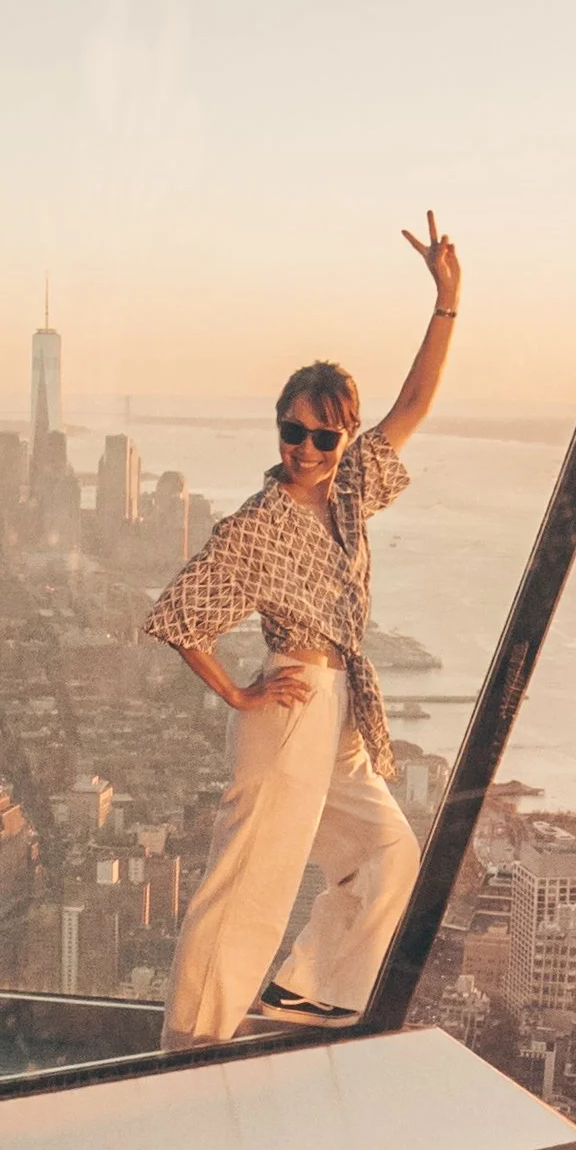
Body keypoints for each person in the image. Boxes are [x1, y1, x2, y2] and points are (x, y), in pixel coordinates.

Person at [144, 215, 461, 1049]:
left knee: (389, 853)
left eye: (324, 434)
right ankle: (190, 1039)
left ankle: (304, 995)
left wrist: (446, 304)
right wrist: (241, 691)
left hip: (342, 710)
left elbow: (416, 402)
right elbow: (178, 619)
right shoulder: (257, 523)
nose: (307, 447)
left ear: (342, 436)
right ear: (277, 423)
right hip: (289, 706)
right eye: (294, 429)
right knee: (247, 879)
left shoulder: (351, 492)